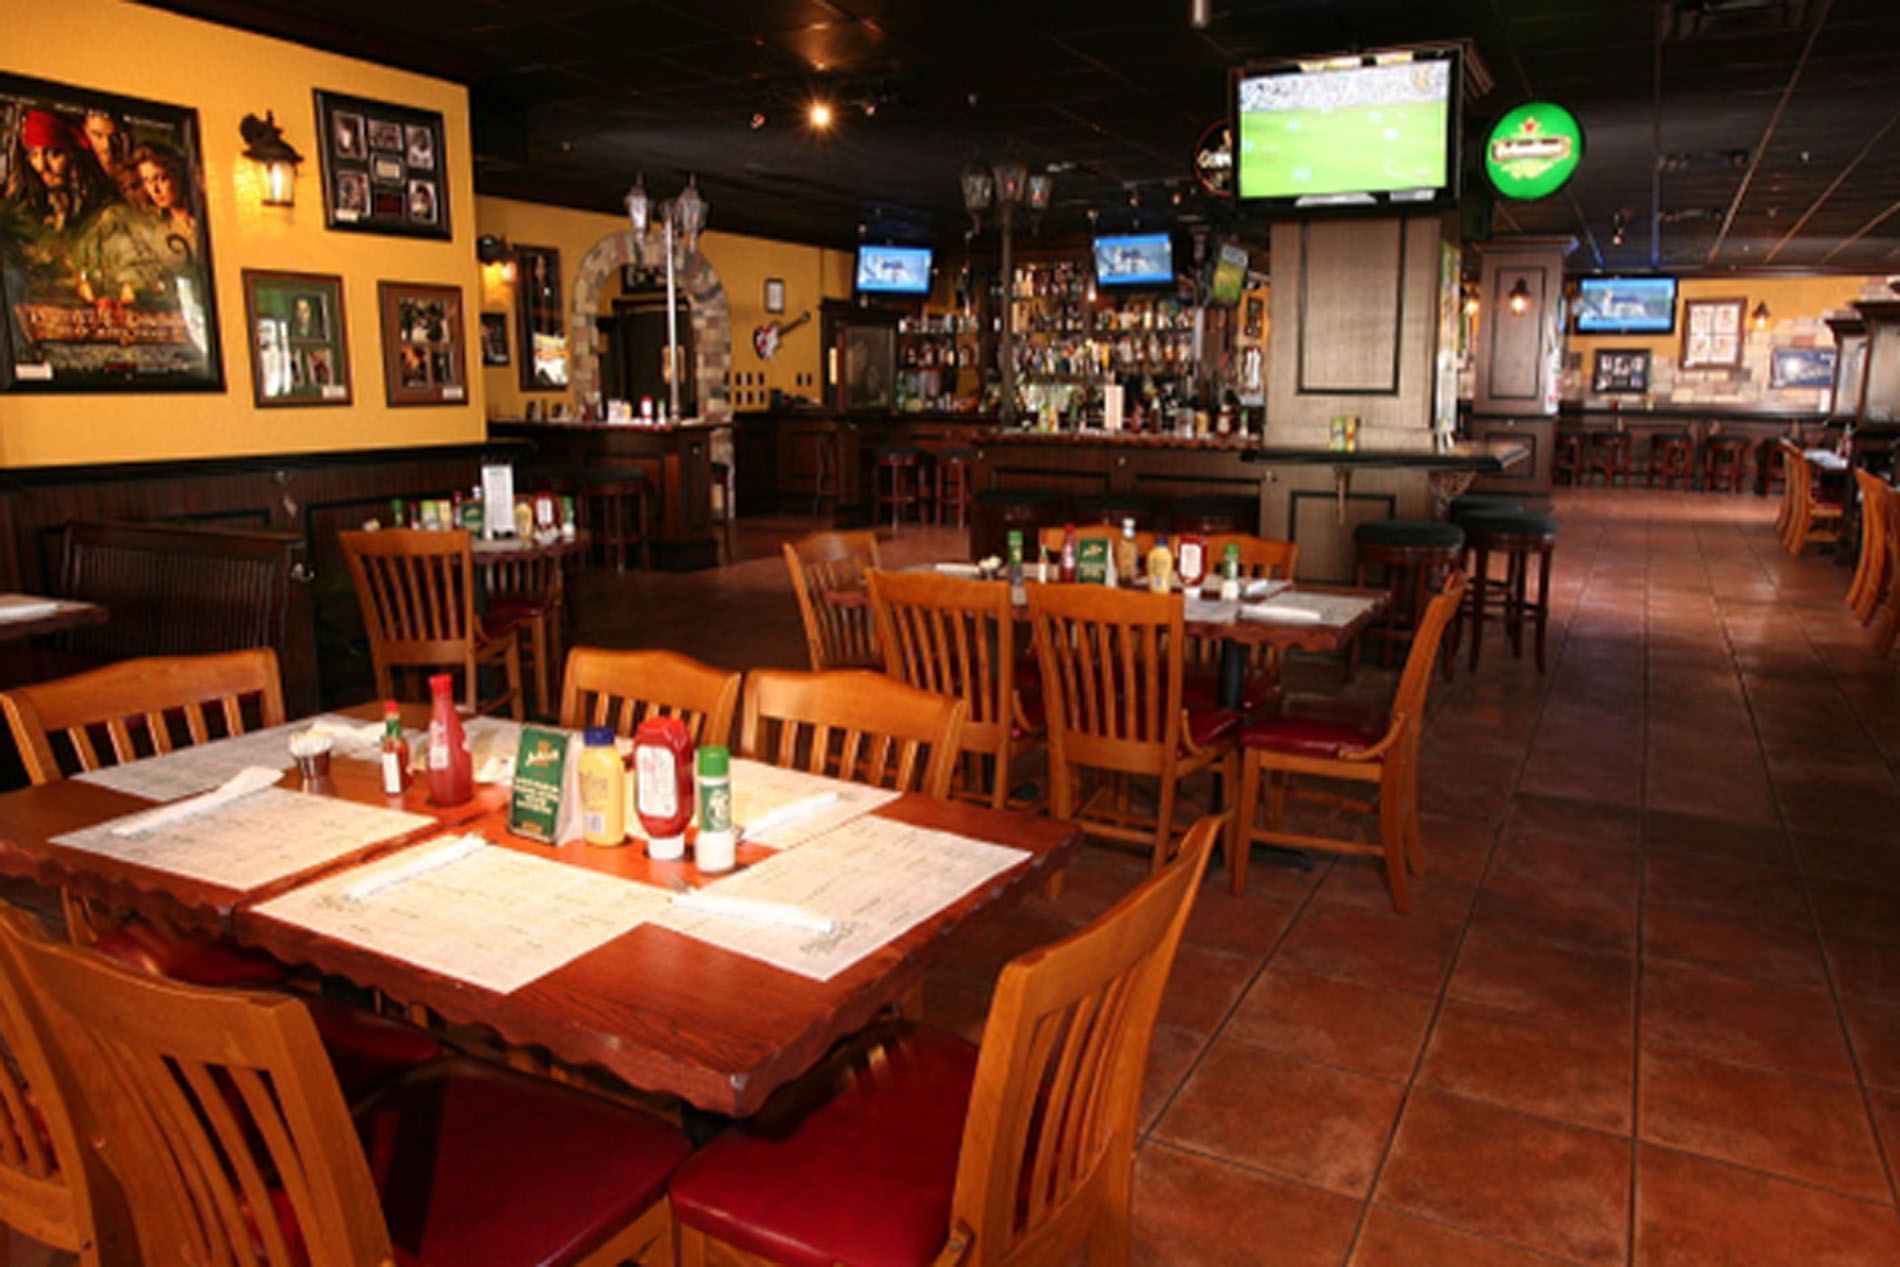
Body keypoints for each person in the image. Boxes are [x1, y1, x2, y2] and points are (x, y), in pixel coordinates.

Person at [131, 144, 197, 245]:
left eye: (161, 178)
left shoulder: (204, 214)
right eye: (147, 181)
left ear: (178, 174)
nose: (155, 190)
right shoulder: (154, 229)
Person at [81, 110, 141, 205]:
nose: (107, 145)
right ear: (85, 131)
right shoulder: (80, 170)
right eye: (98, 135)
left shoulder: (140, 169)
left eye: (115, 136)